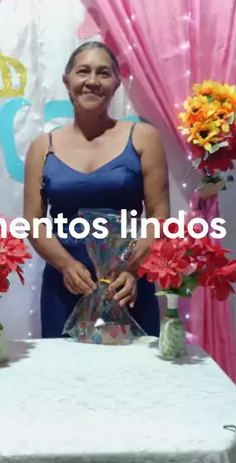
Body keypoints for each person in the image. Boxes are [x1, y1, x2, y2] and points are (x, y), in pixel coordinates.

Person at [23, 41, 169, 338]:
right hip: (65, 286)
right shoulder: (42, 147)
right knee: (64, 367)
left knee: (136, 367)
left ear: (116, 83)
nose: (92, 81)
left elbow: (159, 215)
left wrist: (132, 270)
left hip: (126, 287)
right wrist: (65, 264)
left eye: (103, 73)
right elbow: (33, 222)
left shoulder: (143, 137)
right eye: (83, 71)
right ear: (67, 81)